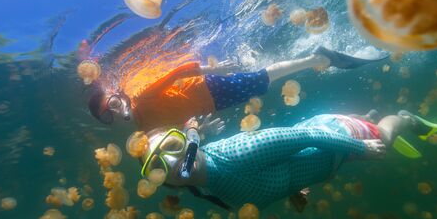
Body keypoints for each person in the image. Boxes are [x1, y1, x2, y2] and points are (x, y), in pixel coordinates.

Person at [139, 110, 437, 210]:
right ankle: (364, 117)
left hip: (336, 136)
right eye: (157, 164)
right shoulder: (213, 191)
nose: (171, 158)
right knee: (367, 135)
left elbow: (306, 136)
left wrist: (363, 148)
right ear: (166, 182)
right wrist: (293, 189)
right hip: (332, 159)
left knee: (383, 138)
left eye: (171, 144)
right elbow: (265, 179)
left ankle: (402, 120)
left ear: (183, 140)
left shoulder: (237, 152)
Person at [88, 47, 387, 133]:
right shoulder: (144, 129)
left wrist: (212, 69)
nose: (114, 111)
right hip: (211, 105)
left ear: (117, 94)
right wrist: (200, 131)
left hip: (207, 86)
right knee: (260, 82)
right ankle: (314, 58)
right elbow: (179, 126)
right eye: (107, 116)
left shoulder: (140, 95)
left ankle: (316, 58)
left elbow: (173, 74)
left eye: (112, 103)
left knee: (260, 79)